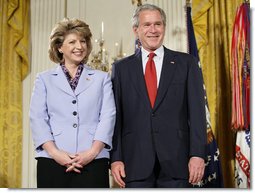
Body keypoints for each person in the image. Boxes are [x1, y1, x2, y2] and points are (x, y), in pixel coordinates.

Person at [110, 4, 207, 188]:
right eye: (146, 25)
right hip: (134, 163)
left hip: (178, 162)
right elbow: (116, 118)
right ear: (136, 30)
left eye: (158, 24)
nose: (153, 30)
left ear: (164, 27)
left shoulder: (187, 63)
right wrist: (116, 158)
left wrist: (198, 154)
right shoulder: (121, 69)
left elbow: (197, 114)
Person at [29, 18, 116, 188]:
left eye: (83, 41)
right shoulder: (44, 79)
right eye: (72, 42)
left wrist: (91, 153)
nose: (79, 46)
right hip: (52, 161)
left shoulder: (102, 78)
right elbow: (37, 118)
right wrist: (56, 154)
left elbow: (108, 116)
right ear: (59, 47)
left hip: (93, 161)